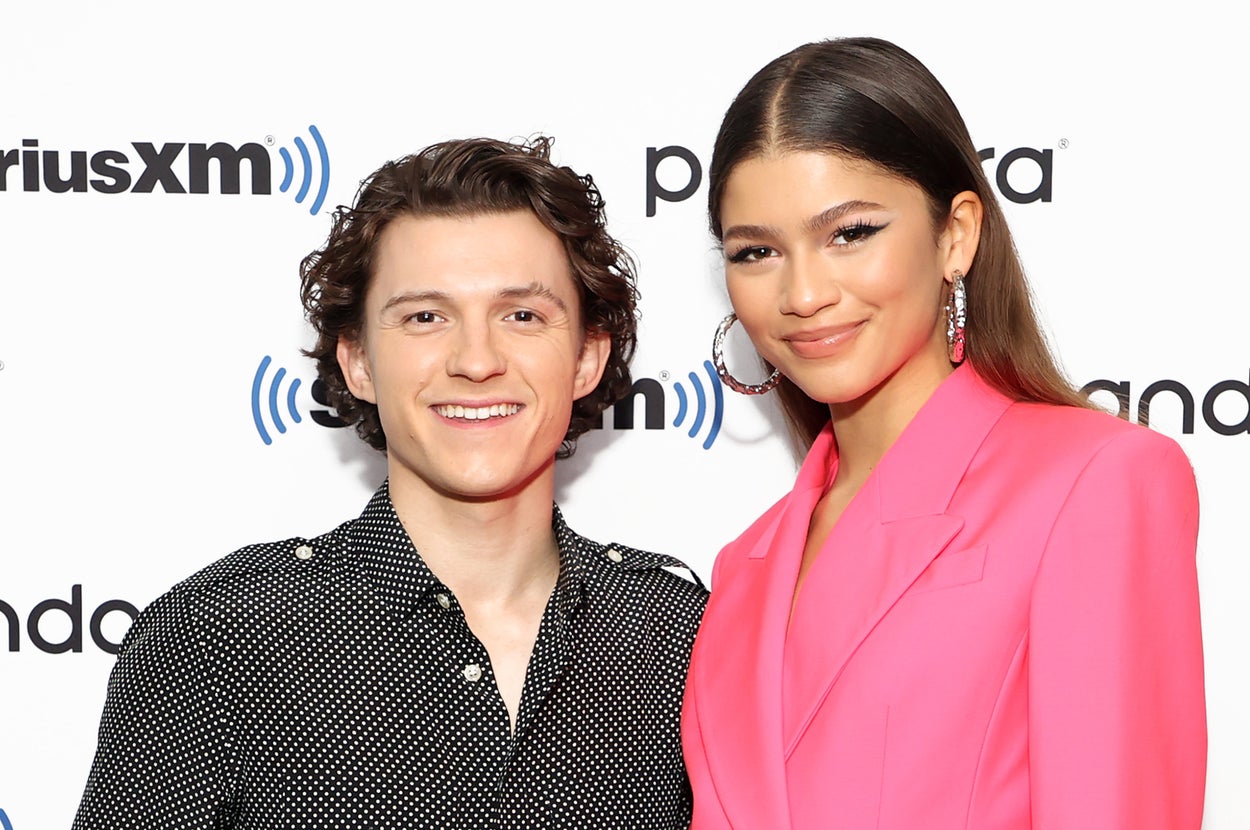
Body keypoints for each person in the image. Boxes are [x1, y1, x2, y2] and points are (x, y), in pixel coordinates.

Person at [74, 136, 707, 829]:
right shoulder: (217, 638)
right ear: (358, 363)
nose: (476, 360)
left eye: (521, 315)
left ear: (587, 358)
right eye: (425, 317)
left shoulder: (682, 637)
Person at [681, 37, 1205, 830]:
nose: (804, 292)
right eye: (756, 251)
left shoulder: (1094, 482)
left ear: (956, 234)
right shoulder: (743, 567)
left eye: (849, 233)